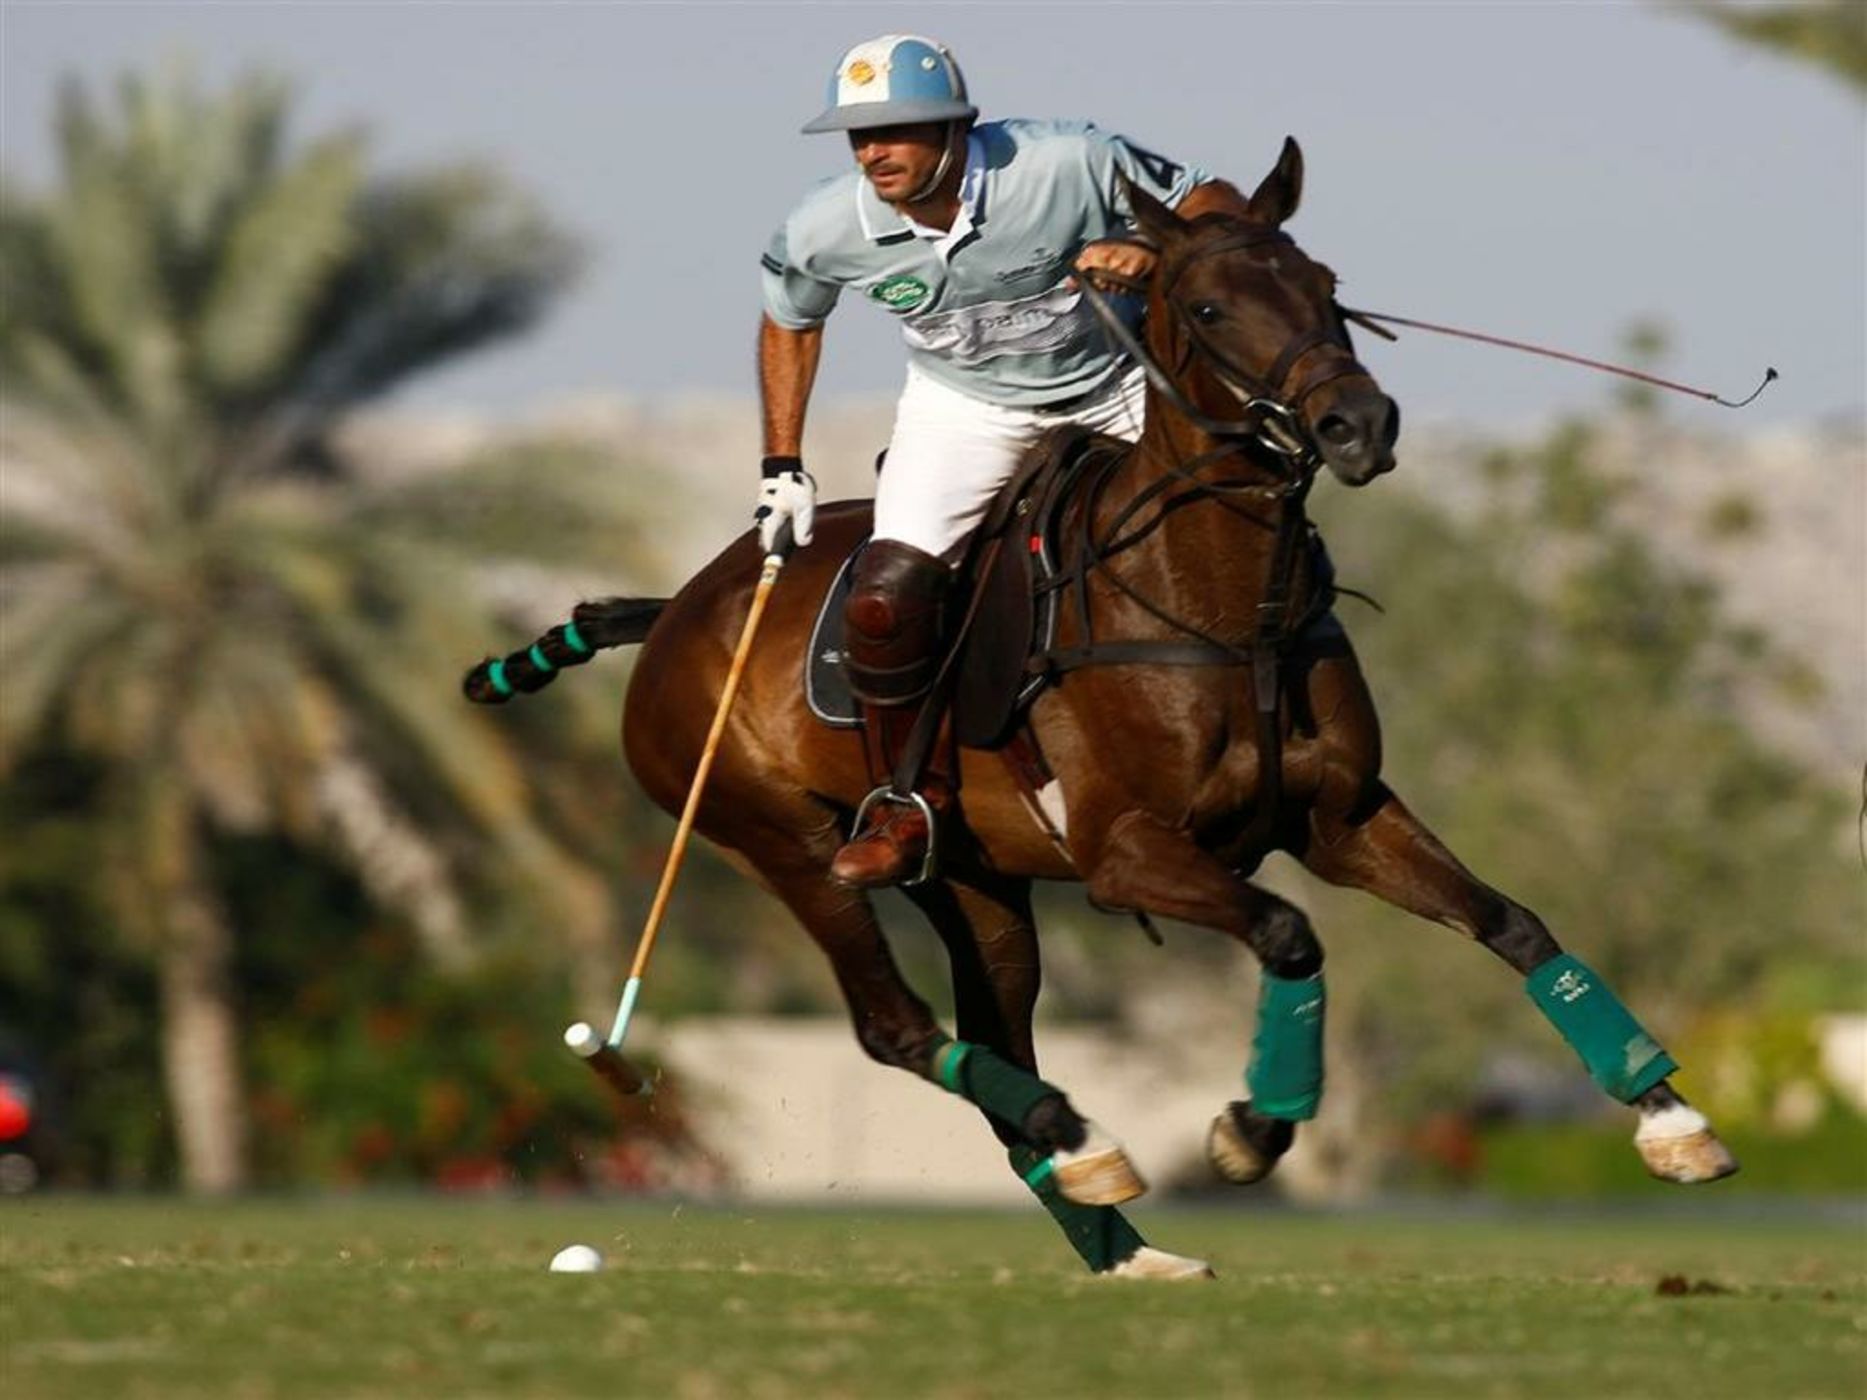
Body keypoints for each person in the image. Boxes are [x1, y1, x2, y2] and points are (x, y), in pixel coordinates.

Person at [755, 34, 1238, 889]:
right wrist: (781, 463)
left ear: (955, 127)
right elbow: (790, 317)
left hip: (1114, 388)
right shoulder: (826, 224)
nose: (873, 152)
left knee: (1231, 519)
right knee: (885, 591)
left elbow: (1216, 202)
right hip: (965, 410)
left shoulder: (1068, 161)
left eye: (896, 130)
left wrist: (1153, 250)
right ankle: (907, 805)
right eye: (858, 136)